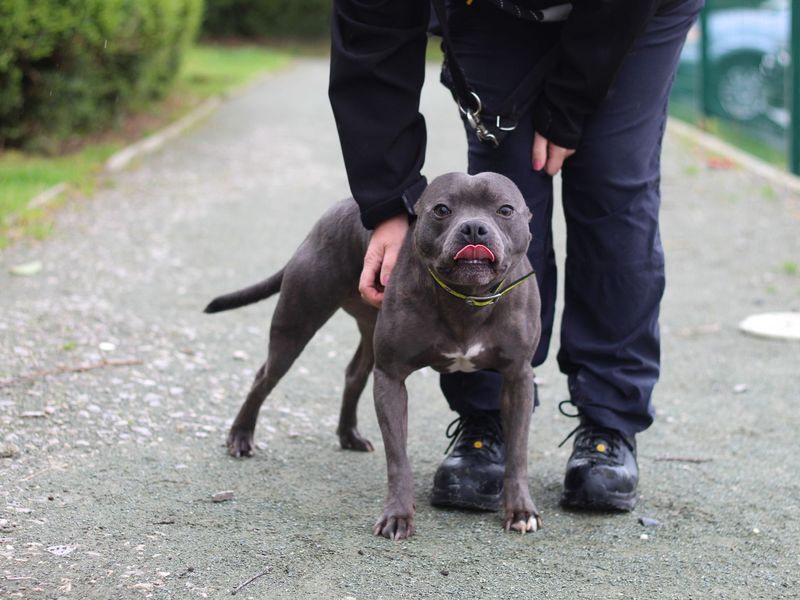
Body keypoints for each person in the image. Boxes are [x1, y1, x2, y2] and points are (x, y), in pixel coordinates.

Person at [328, 0, 703, 512]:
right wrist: (389, 202)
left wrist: (569, 106)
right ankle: (487, 416)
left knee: (615, 191)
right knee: (501, 187)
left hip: (633, 11)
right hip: (492, 13)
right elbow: (372, 34)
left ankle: (609, 420)